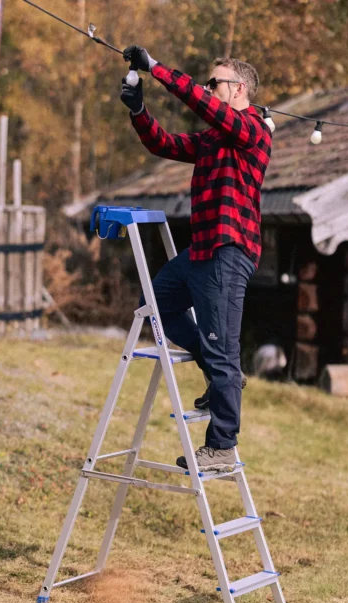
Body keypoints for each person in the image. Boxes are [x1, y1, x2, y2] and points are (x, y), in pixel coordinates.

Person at [120, 46, 272, 472]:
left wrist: (157, 69)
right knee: (156, 305)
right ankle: (220, 373)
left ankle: (221, 446)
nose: (208, 88)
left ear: (239, 89)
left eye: (215, 82)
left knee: (222, 348)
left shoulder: (254, 130)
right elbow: (163, 144)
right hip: (201, 252)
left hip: (228, 252)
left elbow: (204, 105)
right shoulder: (212, 138)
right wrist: (139, 112)